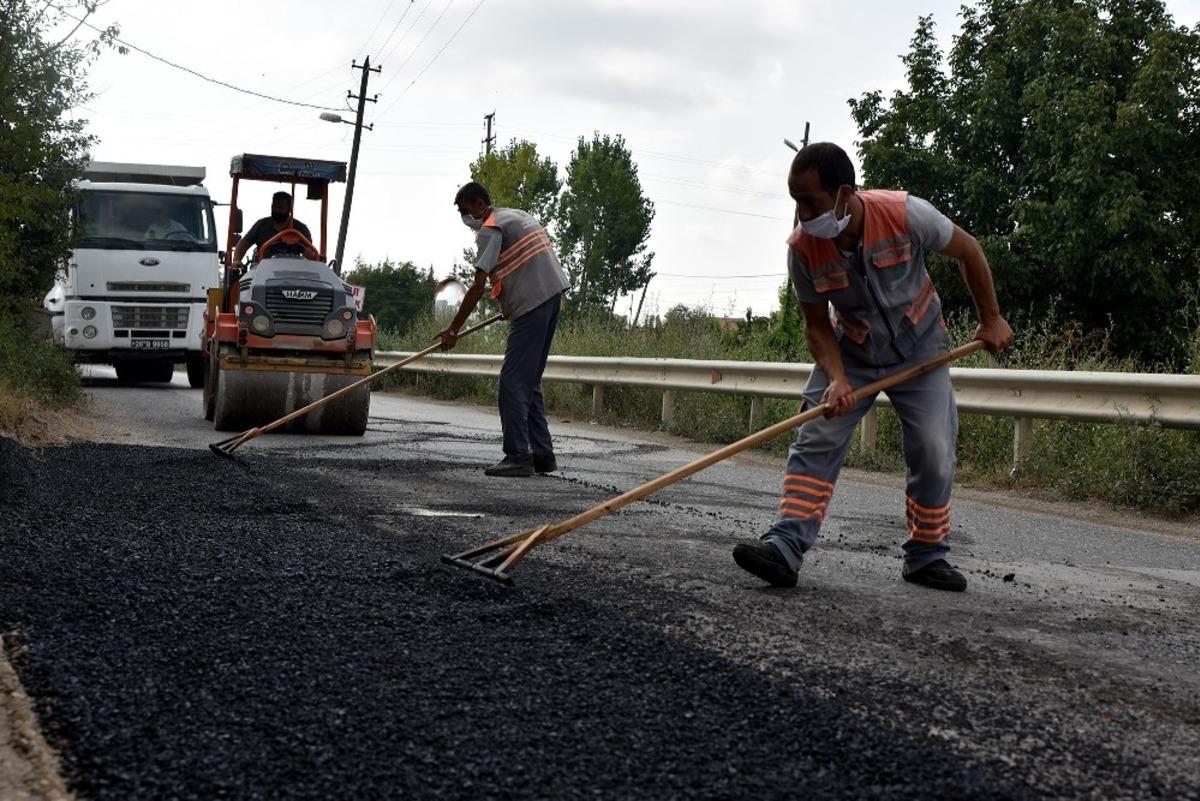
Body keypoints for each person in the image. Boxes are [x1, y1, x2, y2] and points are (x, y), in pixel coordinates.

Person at [732, 142, 1013, 592]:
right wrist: (837, 378)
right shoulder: (803, 249)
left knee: (933, 449)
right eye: (796, 202)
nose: (803, 214)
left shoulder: (905, 214)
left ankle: (926, 556)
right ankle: (784, 545)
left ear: (845, 194)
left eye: (811, 202)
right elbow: (816, 325)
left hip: (922, 350)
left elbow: (969, 250)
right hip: (853, 352)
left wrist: (991, 318)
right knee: (816, 437)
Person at [438, 181, 570, 477]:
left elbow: (477, 287)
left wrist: (453, 330)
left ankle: (518, 455)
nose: (465, 219)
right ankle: (543, 455)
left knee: (512, 383)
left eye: (465, 211)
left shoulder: (490, 228)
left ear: (479, 205)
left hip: (532, 305)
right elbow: (522, 265)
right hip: (551, 299)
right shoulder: (517, 216)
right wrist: (509, 303)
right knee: (529, 381)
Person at [234, 191, 313, 262]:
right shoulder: (261, 225)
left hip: (293, 270)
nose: (276, 210)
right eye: (274, 207)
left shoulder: (300, 229)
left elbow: (312, 254)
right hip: (263, 270)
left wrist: (305, 251)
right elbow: (243, 244)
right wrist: (236, 260)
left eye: (281, 208)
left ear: (289, 209)